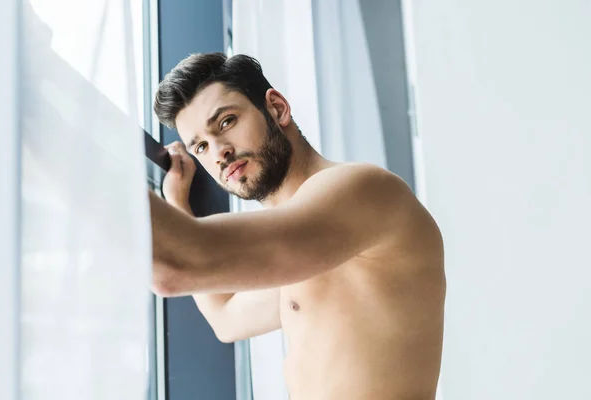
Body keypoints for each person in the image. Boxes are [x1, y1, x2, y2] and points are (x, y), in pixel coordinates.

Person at [149, 53, 445, 400]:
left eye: (226, 122)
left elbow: (180, 266)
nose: (219, 152)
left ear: (276, 107)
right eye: (200, 146)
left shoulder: (360, 190)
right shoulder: (308, 249)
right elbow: (226, 320)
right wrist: (178, 203)